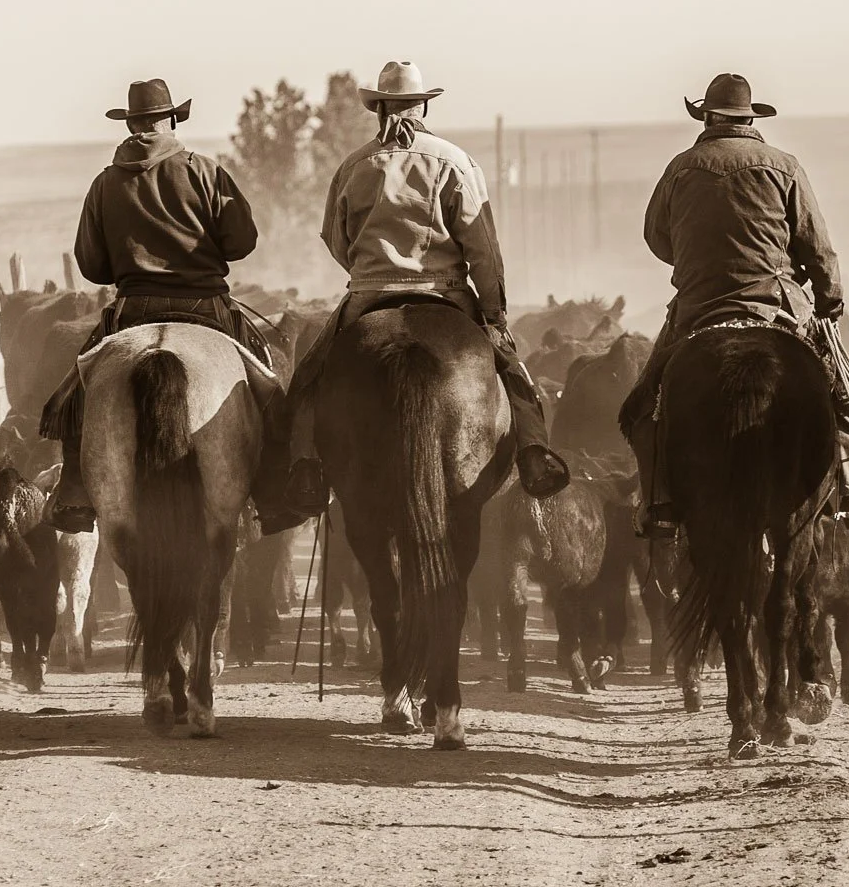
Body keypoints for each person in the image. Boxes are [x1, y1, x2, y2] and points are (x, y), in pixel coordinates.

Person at [272, 61, 571, 516]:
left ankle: (307, 469)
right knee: (513, 373)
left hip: (369, 295)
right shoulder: (455, 161)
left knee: (310, 376)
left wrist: (370, 269)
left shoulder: (353, 166)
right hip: (447, 292)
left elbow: (337, 240)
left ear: (378, 109)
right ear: (424, 104)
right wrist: (493, 314)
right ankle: (534, 454)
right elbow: (483, 248)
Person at [622, 73, 849, 538]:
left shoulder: (680, 167)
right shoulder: (785, 166)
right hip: (777, 307)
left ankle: (658, 501)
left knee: (643, 406)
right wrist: (829, 300)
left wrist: (697, 261)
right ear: (750, 117)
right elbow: (817, 246)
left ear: (708, 116)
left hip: (698, 308)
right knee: (843, 395)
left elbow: (656, 236)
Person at [42, 78, 288, 534]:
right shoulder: (205, 171)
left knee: (75, 393)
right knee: (268, 387)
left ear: (132, 123)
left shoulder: (104, 183)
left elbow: (92, 265)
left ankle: (75, 489)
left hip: (132, 311)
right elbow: (242, 242)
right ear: (172, 119)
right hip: (207, 307)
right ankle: (273, 492)